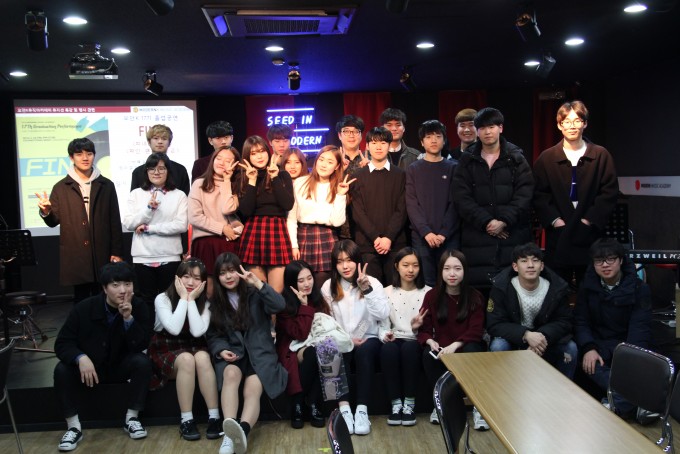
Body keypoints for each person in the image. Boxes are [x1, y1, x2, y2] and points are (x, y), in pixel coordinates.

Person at [53, 262, 153, 451]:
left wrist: (128, 319)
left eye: (127, 284)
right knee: (62, 370)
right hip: (90, 369)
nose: (123, 290)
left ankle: (132, 418)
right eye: (116, 285)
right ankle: (73, 427)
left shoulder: (139, 307)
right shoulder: (84, 308)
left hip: (119, 366)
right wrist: (80, 357)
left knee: (142, 363)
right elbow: (62, 343)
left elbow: (141, 345)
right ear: (105, 288)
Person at [206, 252, 287, 454]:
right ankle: (229, 434)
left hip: (260, 353)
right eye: (222, 273)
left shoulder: (255, 293)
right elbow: (214, 335)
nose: (228, 276)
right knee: (230, 375)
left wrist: (258, 283)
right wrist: (221, 350)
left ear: (240, 271)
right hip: (234, 353)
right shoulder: (216, 302)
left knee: (252, 390)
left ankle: (241, 431)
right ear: (217, 277)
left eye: (232, 270)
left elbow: (279, 305)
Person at [533, 100, 619, 287]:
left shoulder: (601, 155)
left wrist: (589, 220)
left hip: (589, 233)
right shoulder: (546, 158)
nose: (572, 126)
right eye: (567, 121)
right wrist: (555, 220)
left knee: (590, 288)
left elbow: (609, 192)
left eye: (577, 121)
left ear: (585, 124)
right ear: (559, 125)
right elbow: (539, 195)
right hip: (559, 234)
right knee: (557, 288)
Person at [453, 107, 534, 291]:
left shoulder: (516, 158)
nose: (487, 132)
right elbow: (461, 197)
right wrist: (487, 222)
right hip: (477, 236)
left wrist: (504, 221)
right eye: (482, 128)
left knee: (512, 292)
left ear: (500, 128)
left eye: (491, 127)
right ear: (477, 131)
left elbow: (525, 194)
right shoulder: (467, 160)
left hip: (512, 234)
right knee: (479, 294)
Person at [36, 137, 123, 303]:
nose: (85, 158)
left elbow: (114, 221)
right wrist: (46, 211)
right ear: (71, 158)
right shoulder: (61, 187)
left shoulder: (106, 185)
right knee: (81, 301)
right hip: (76, 254)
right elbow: (53, 221)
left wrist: (117, 252)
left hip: (102, 252)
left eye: (89, 153)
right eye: (79, 154)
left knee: (104, 299)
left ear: (94, 155)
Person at [574, 239, 652, 418]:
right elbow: (581, 321)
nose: (605, 265)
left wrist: (627, 356)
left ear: (621, 260)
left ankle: (617, 404)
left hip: (628, 346)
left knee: (641, 366)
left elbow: (640, 328)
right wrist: (589, 347)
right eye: (599, 261)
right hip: (599, 345)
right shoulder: (586, 287)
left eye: (610, 259)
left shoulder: (640, 288)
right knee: (585, 361)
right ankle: (634, 401)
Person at [321, 240, 390, 435]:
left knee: (364, 353)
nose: (345, 266)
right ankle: (343, 411)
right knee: (328, 350)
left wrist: (367, 290)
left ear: (358, 260)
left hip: (368, 336)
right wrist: (347, 340)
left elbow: (383, 314)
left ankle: (361, 410)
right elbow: (328, 322)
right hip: (342, 338)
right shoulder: (328, 286)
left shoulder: (372, 282)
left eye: (349, 260)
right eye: (339, 261)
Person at [149, 259, 221, 441]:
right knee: (187, 359)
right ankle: (187, 420)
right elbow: (174, 328)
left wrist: (191, 301)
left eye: (196, 278)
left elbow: (197, 332)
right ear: (177, 278)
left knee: (203, 357)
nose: (190, 282)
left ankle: (214, 417)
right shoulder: (162, 298)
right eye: (186, 276)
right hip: (166, 346)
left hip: (193, 344)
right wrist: (183, 298)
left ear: (203, 282)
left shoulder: (205, 304)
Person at [414, 250, 485, 427]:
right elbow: (424, 329)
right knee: (428, 354)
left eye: (457, 269)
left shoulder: (475, 296)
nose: (452, 274)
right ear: (441, 271)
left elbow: (476, 330)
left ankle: (479, 407)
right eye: (447, 269)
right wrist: (430, 341)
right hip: (442, 347)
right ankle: (442, 404)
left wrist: (455, 345)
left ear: (464, 271)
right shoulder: (432, 296)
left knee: (472, 349)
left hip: (465, 345)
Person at [486, 242, 577, 379]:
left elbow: (565, 321)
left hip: (546, 340)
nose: (530, 265)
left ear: (542, 266)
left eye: (535, 260)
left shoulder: (556, 288)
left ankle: (565, 390)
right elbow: (494, 324)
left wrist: (541, 337)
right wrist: (526, 334)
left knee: (570, 348)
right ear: (515, 266)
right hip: (515, 339)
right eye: (524, 261)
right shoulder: (501, 287)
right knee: (498, 346)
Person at [123, 152, 188, 317]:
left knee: (169, 300)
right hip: (142, 256)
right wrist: (148, 209)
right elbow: (129, 223)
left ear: (168, 171)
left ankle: (169, 331)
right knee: (147, 300)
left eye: (161, 168)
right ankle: (148, 332)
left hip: (170, 255)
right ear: (146, 172)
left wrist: (149, 228)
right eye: (151, 169)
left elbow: (180, 225)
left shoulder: (179, 195)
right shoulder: (136, 194)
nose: (156, 172)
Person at [378, 247, 430, 426]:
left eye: (415, 265)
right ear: (396, 266)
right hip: (395, 338)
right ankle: (395, 404)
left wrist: (417, 329)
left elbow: (431, 327)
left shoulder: (428, 292)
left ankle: (409, 403)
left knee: (409, 348)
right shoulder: (386, 292)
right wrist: (385, 334)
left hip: (417, 340)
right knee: (388, 350)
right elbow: (382, 324)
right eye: (405, 265)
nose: (410, 270)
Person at [287, 145, 352, 286]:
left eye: (330, 162)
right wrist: (294, 245)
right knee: (303, 282)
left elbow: (337, 222)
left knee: (326, 285)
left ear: (337, 166)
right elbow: (291, 218)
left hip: (327, 237)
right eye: (321, 159)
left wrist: (341, 195)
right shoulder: (300, 182)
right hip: (304, 236)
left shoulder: (338, 186)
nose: (324, 164)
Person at [276, 260, 330, 429]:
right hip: (291, 348)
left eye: (309, 278)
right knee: (314, 353)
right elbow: (300, 334)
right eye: (301, 281)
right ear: (292, 283)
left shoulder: (317, 298)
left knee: (323, 351)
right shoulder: (283, 303)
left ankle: (307, 402)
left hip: (314, 343)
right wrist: (305, 306)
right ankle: (302, 402)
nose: (307, 284)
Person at [237, 135, 295, 293]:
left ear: (268, 152)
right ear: (247, 157)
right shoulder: (242, 178)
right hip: (254, 231)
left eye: (262, 151)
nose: (259, 156)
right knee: (257, 291)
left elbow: (287, 204)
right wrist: (252, 181)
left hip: (277, 230)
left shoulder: (282, 175)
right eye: (253, 153)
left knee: (276, 292)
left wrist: (274, 177)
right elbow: (246, 211)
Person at [405, 120, 459, 286]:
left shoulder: (453, 167)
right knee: (425, 283)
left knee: (450, 281)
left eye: (438, 136)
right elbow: (412, 203)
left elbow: (456, 204)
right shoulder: (413, 169)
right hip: (422, 237)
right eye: (428, 137)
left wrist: (443, 233)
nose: (434, 140)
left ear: (444, 140)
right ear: (422, 142)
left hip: (449, 236)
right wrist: (426, 232)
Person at [351, 127, 408, 283]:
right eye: (374, 143)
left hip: (395, 243)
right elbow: (357, 212)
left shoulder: (400, 175)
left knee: (396, 288)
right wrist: (376, 237)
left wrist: (388, 237)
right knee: (371, 291)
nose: (378, 147)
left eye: (383, 143)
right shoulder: (357, 176)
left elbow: (402, 209)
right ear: (367, 146)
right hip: (367, 245)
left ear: (389, 146)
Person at [189, 146, 242, 297]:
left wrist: (226, 181)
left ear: (235, 165)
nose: (221, 163)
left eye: (227, 160)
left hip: (228, 241)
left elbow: (227, 209)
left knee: (232, 291)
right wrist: (222, 228)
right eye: (218, 158)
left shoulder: (234, 186)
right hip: (205, 242)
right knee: (209, 291)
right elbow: (194, 216)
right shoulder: (199, 183)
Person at [130, 124, 190, 195]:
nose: (160, 142)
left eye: (164, 138)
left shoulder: (180, 170)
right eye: (156, 138)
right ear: (149, 142)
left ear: (169, 143)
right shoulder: (138, 172)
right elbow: (134, 198)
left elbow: (185, 198)